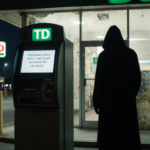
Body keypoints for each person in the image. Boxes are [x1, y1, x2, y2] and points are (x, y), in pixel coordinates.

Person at [93, 25, 141, 150]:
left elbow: (99, 82)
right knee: (127, 136)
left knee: (109, 138)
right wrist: (130, 95)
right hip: (126, 104)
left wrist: (96, 102)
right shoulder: (131, 54)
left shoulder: (104, 56)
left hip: (108, 105)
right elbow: (137, 80)